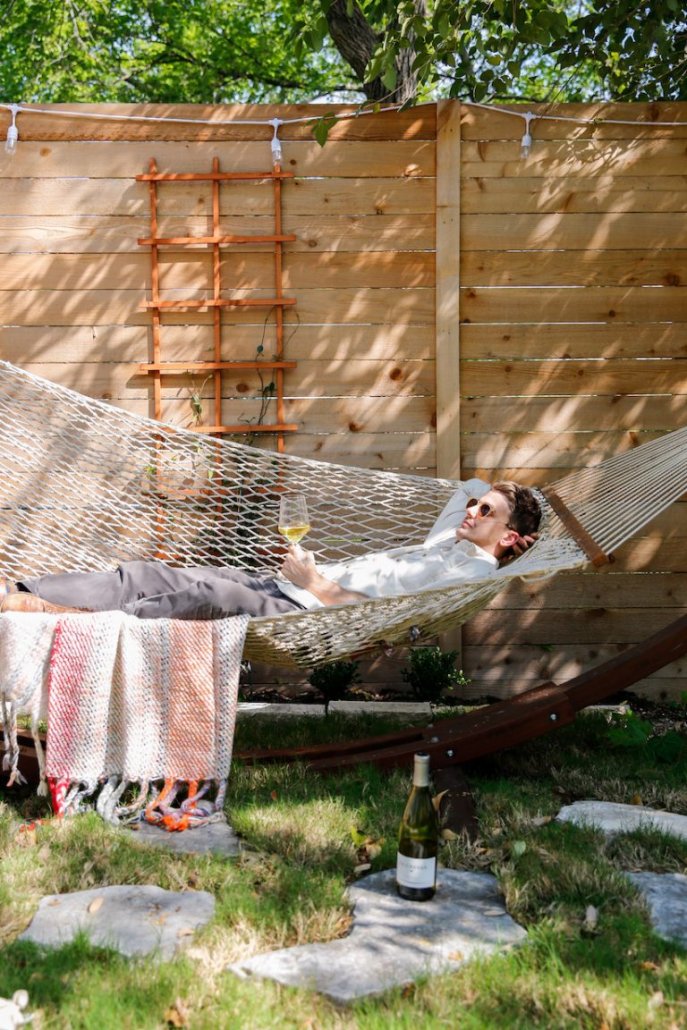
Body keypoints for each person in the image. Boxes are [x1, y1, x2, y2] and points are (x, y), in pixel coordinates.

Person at [0, 481, 541, 620]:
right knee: (152, 571)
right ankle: (23, 591)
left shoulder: (467, 575)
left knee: (208, 591)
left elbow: (374, 612)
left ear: (511, 538)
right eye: (472, 504)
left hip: (306, 610)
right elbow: (468, 489)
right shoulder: (449, 543)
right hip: (290, 587)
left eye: (486, 511)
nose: (471, 511)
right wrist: (484, 502)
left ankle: (64, 618)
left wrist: (313, 583)